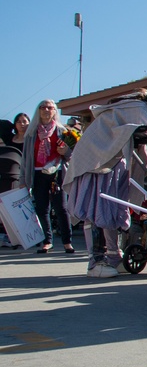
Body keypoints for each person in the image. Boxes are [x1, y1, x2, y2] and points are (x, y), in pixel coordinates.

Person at [63, 90, 147, 278]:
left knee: (112, 209)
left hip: (109, 160)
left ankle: (114, 257)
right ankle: (95, 262)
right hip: (98, 162)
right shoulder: (139, 109)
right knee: (95, 209)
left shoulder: (139, 109)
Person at [19, 100, 74, 254]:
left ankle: (67, 241)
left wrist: (66, 152)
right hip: (37, 173)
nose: (46, 110)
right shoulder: (31, 133)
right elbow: (25, 159)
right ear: (38, 111)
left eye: (50, 107)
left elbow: (72, 156)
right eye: (43, 107)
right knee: (42, 208)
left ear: (54, 111)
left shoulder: (62, 131)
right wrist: (23, 179)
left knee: (61, 207)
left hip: (57, 172)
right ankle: (47, 241)